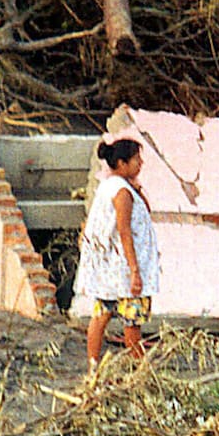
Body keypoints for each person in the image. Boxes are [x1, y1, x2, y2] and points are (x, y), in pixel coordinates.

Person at [73, 137, 160, 370]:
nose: (140, 163)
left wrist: (138, 189)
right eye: (136, 160)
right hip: (123, 270)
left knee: (101, 315)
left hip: (110, 270)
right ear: (121, 163)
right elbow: (124, 231)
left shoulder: (113, 186)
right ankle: (139, 370)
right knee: (132, 323)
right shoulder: (121, 192)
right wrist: (135, 272)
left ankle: (93, 367)